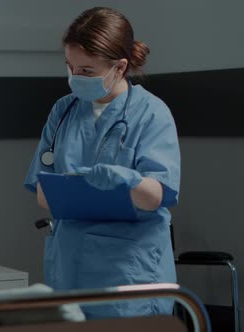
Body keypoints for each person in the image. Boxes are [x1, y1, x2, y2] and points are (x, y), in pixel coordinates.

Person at [24, 7, 180, 318]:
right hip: (70, 269)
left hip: (127, 272)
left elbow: (155, 196)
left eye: (86, 71)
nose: (75, 78)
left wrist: (129, 181)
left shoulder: (151, 113)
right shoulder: (64, 111)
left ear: (120, 67)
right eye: (70, 67)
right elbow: (44, 194)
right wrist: (78, 187)